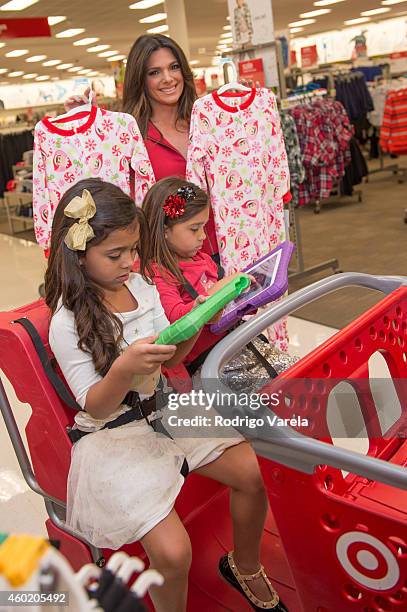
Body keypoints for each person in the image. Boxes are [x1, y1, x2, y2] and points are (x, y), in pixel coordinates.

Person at [45, 177, 288, 612]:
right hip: (113, 434)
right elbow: (95, 404)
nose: (130, 263)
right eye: (115, 255)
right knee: (174, 553)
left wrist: (201, 317)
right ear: (78, 256)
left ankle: (245, 565)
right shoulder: (67, 320)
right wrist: (122, 369)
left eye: (134, 251)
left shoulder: (140, 286)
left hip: (166, 409)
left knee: (254, 476)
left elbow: (174, 355)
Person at [66, 34, 219, 260]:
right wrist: (86, 121)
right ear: (141, 79)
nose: (168, 78)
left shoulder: (207, 123)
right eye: (154, 72)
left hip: (223, 248)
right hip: (168, 264)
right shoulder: (129, 136)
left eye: (174, 67)